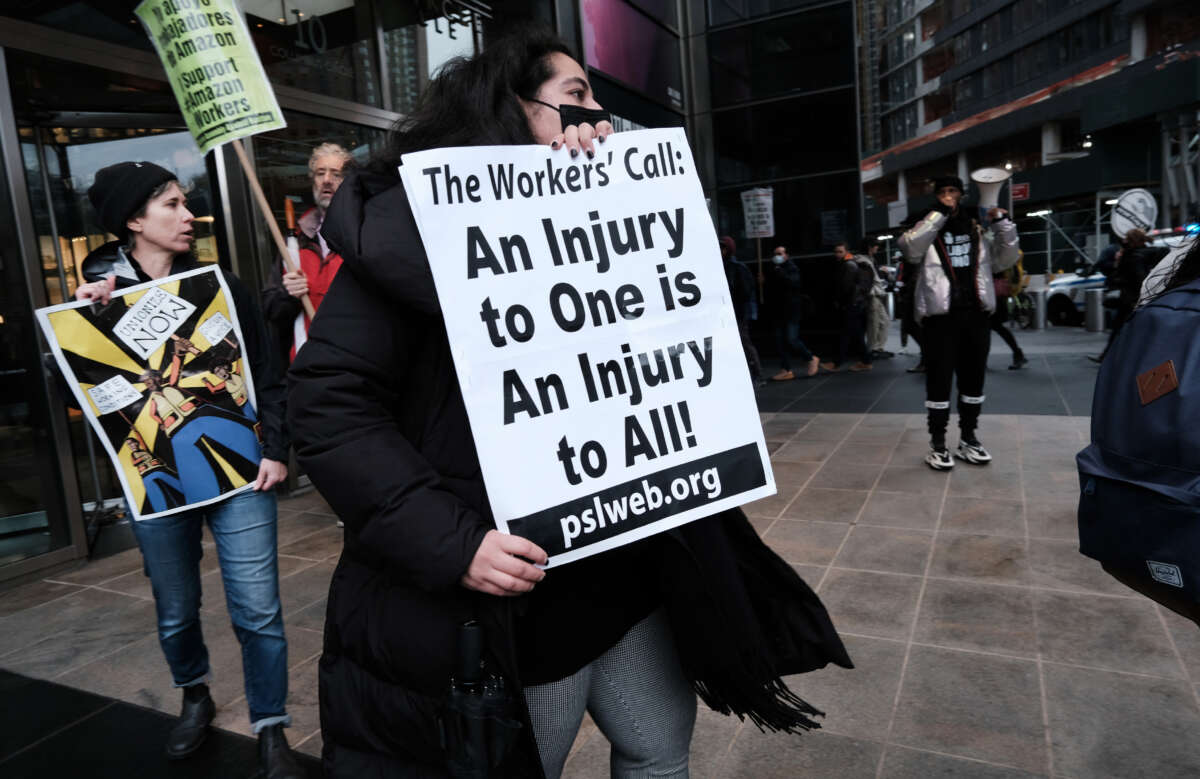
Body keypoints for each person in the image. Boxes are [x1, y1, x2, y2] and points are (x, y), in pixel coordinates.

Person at [286, 27, 851, 778]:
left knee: (658, 751)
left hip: (626, 571)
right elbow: (329, 408)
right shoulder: (410, 237)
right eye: (575, 98)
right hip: (511, 596)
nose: (598, 118)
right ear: (508, 111)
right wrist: (453, 542)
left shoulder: (610, 223)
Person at [73, 161, 303, 778]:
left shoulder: (219, 285)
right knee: (176, 608)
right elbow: (78, 386)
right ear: (132, 220)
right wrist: (83, 323)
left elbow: (268, 372)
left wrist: (276, 448)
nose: (187, 216)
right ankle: (194, 693)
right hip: (157, 477)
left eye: (185, 203)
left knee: (259, 610)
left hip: (239, 471)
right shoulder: (94, 294)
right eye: (171, 205)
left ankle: (271, 726)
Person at [897, 174, 1020, 470]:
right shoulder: (924, 224)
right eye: (943, 192)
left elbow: (1006, 259)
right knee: (939, 381)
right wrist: (937, 215)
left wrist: (1002, 223)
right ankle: (938, 444)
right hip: (940, 318)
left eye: (954, 191)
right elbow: (910, 249)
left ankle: (969, 438)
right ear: (936, 195)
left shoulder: (977, 227)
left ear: (963, 195)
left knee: (973, 379)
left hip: (976, 316)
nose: (949, 196)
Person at [261, 142, 353, 363]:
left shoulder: (363, 233)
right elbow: (271, 310)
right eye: (320, 173)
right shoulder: (294, 242)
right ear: (313, 180)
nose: (327, 180)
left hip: (355, 361)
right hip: (307, 363)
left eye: (336, 174)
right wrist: (287, 294)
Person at [1090, 228, 1167, 362]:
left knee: (1121, 328)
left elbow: (1138, 279)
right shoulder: (1139, 254)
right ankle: (1107, 355)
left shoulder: (1135, 256)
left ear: (1132, 241)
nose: (1123, 240)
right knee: (1120, 327)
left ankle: (1110, 356)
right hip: (1133, 299)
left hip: (1130, 299)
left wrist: (1120, 279)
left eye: (1126, 238)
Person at [763, 245, 820, 380]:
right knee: (780, 342)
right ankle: (786, 369)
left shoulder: (792, 268)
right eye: (775, 253)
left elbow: (793, 283)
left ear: (786, 255)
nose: (777, 256)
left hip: (791, 310)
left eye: (780, 253)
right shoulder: (771, 269)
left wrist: (779, 273)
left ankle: (810, 358)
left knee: (791, 339)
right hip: (778, 310)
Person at [821, 241, 873, 372]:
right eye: (836, 251)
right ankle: (865, 361)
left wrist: (841, 302)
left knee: (845, 334)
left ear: (846, 252)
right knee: (856, 334)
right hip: (856, 303)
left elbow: (845, 287)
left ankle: (836, 363)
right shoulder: (848, 263)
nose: (837, 254)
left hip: (851, 304)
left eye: (840, 251)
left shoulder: (848, 265)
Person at [720, 235, 765, 386]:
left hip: (739, 312)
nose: (721, 250)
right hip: (729, 311)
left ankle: (757, 375)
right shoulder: (720, 266)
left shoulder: (737, 267)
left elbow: (745, 292)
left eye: (723, 247)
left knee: (744, 343)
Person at [990, 263, 1028, 369]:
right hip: (996, 295)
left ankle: (1018, 354)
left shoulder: (996, 256)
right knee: (995, 327)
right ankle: (1018, 354)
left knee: (993, 327)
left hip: (995, 295)